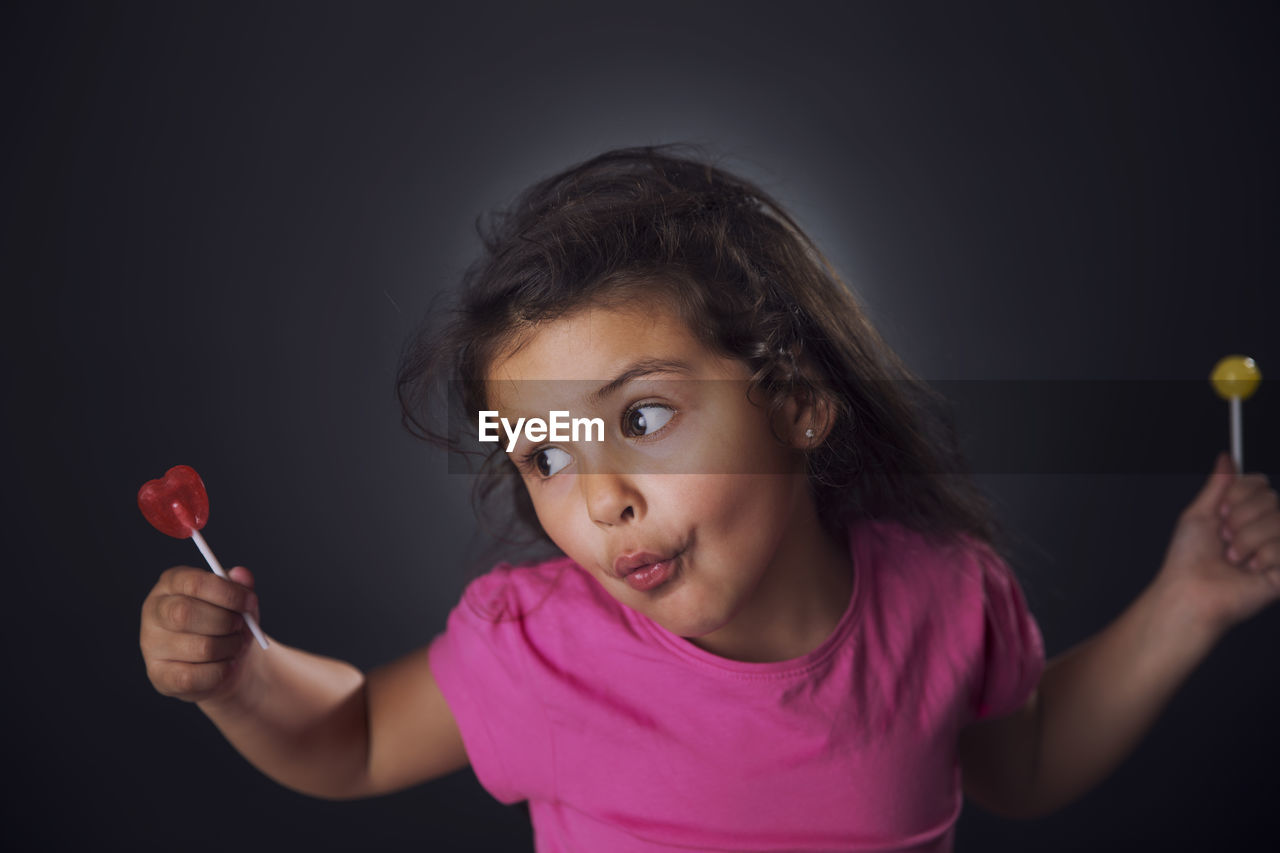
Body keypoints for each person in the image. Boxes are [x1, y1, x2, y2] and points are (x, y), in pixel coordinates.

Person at [139, 146, 1280, 851]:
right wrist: (243, 679)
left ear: (796, 403)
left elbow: (1016, 764)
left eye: (638, 420)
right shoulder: (540, 649)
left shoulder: (944, 597)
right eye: (544, 456)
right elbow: (352, 737)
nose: (601, 500)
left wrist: (1181, 604)